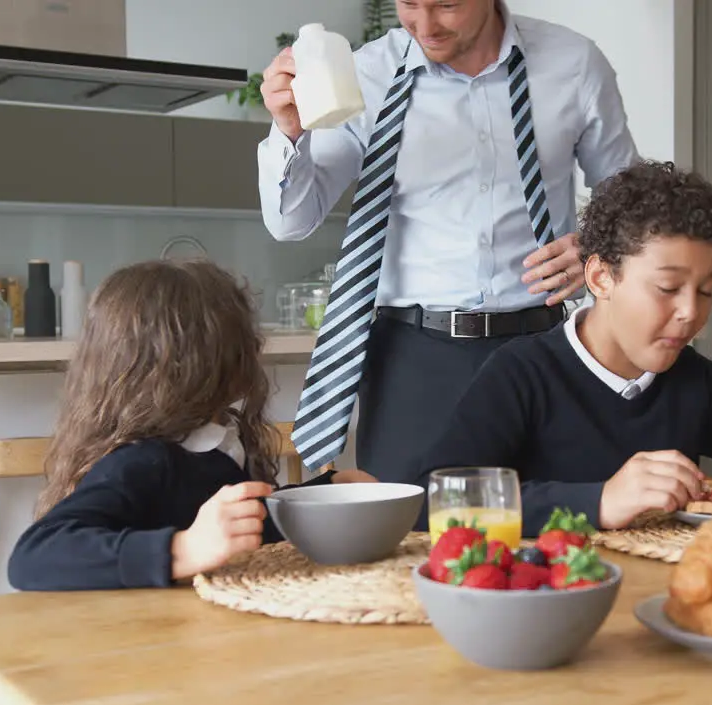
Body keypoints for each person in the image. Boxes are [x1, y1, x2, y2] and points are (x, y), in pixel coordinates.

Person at [257, 0, 640, 486]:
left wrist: (594, 247)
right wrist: (289, 132)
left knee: (560, 532)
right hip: (413, 363)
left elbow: (631, 203)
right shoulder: (366, 74)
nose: (425, 25)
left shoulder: (574, 63)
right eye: (409, 4)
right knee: (406, 540)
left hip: (543, 349)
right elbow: (293, 221)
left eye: (447, 5)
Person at [412, 160, 712, 533]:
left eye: (706, 290)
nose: (689, 313)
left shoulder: (691, 379)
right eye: (668, 287)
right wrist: (599, 501)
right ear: (601, 278)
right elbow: (431, 503)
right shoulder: (522, 373)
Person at [7, 259, 374, 592]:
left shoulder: (217, 443)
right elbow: (32, 557)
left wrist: (321, 496)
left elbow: (243, 533)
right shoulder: (142, 461)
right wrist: (182, 550)